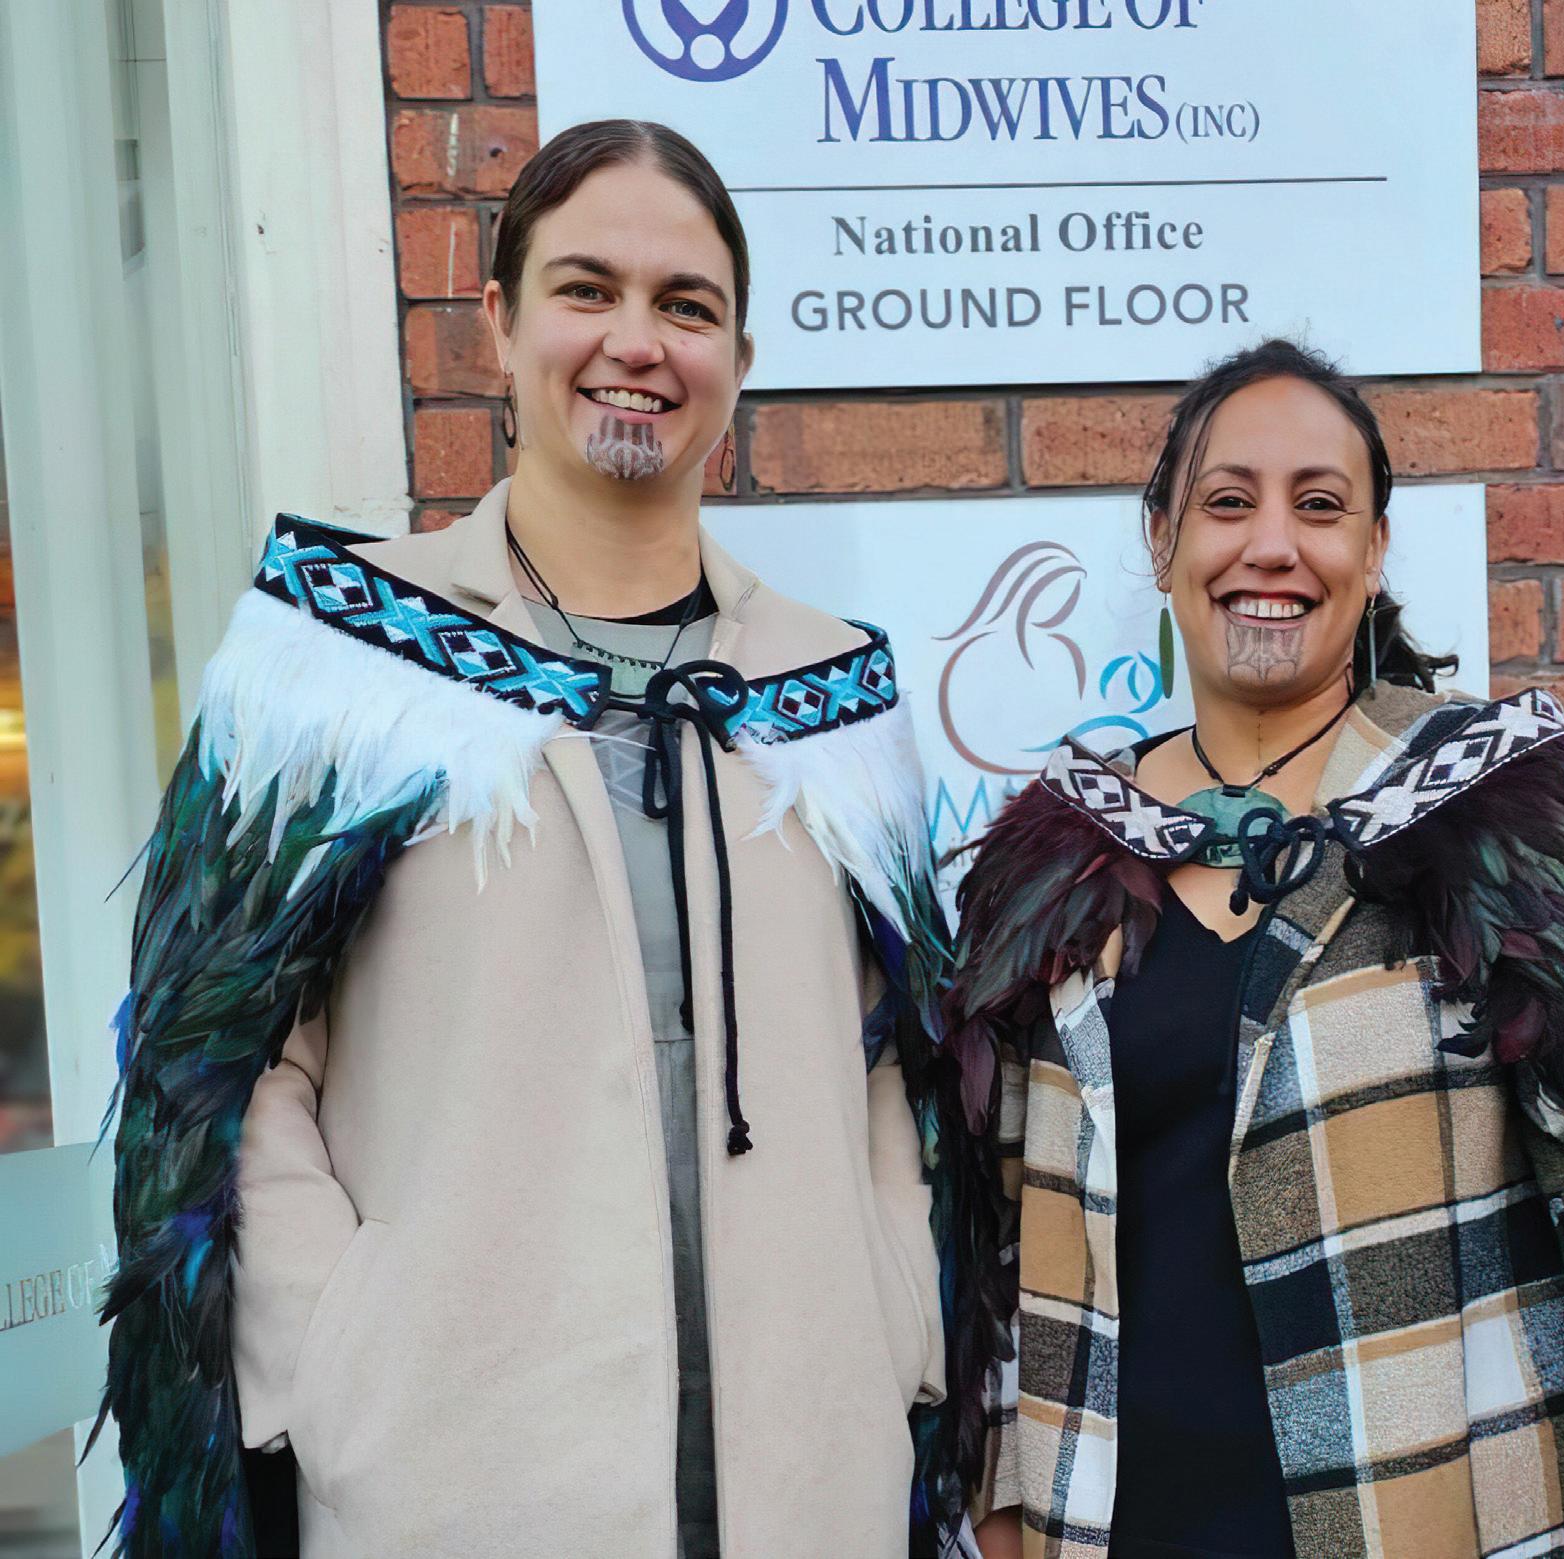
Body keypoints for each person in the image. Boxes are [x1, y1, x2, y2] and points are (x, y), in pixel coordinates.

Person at [96, 120, 1004, 1558]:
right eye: (587, 288)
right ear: (499, 323)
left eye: (685, 305)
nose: (636, 341)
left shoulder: (837, 691)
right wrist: (338, 1361)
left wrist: (896, 1306)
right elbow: (216, 1063)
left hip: (812, 1486)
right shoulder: (341, 657)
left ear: (738, 361)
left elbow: (897, 1058)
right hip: (451, 1493)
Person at [954, 339, 1564, 1558]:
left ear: (1371, 553)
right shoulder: (1056, 862)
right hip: (1122, 1518)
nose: (1271, 544)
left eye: (1318, 506)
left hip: (1430, 1510)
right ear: (1160, 538)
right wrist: (999, 1496)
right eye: (1227, 501)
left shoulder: (1493, 812)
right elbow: (1000, 1237)